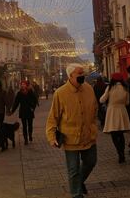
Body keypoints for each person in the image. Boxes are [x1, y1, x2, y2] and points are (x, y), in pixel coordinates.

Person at [46, 63, 98, 198]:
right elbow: (53, 117)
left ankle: (79, 182)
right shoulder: (60, 93)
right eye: (79, 74)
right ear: (70, 76)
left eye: (83, 73)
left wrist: (93, 124)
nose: (83, 76)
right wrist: (52, 137)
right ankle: (76, 194)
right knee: (73, 170)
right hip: (71, 138)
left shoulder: (89, 89)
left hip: (89, 136)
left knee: (91, 162)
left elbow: (95, 108)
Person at [99, 73, 130, 163]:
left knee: (114, 133)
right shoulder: (125, 88)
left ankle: (119, 152)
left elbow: (102, 99)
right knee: (121, 134)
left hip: (112, 111)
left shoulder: (110, 87)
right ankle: (122, 152)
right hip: (122, 111)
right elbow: (128, 102)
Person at [10, 81, 38, 145]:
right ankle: (26, 139)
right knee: (24, 126)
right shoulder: (19, 93)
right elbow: (16, 103)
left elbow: (35, 101)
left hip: (30, 111)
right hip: (23, 112)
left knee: (30, 125)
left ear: (26, 85)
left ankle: (30, 135)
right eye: (21, 84)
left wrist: (33, 108)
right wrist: (12, 110)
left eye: (24, 84)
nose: (22, 85)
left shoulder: (30, 92)